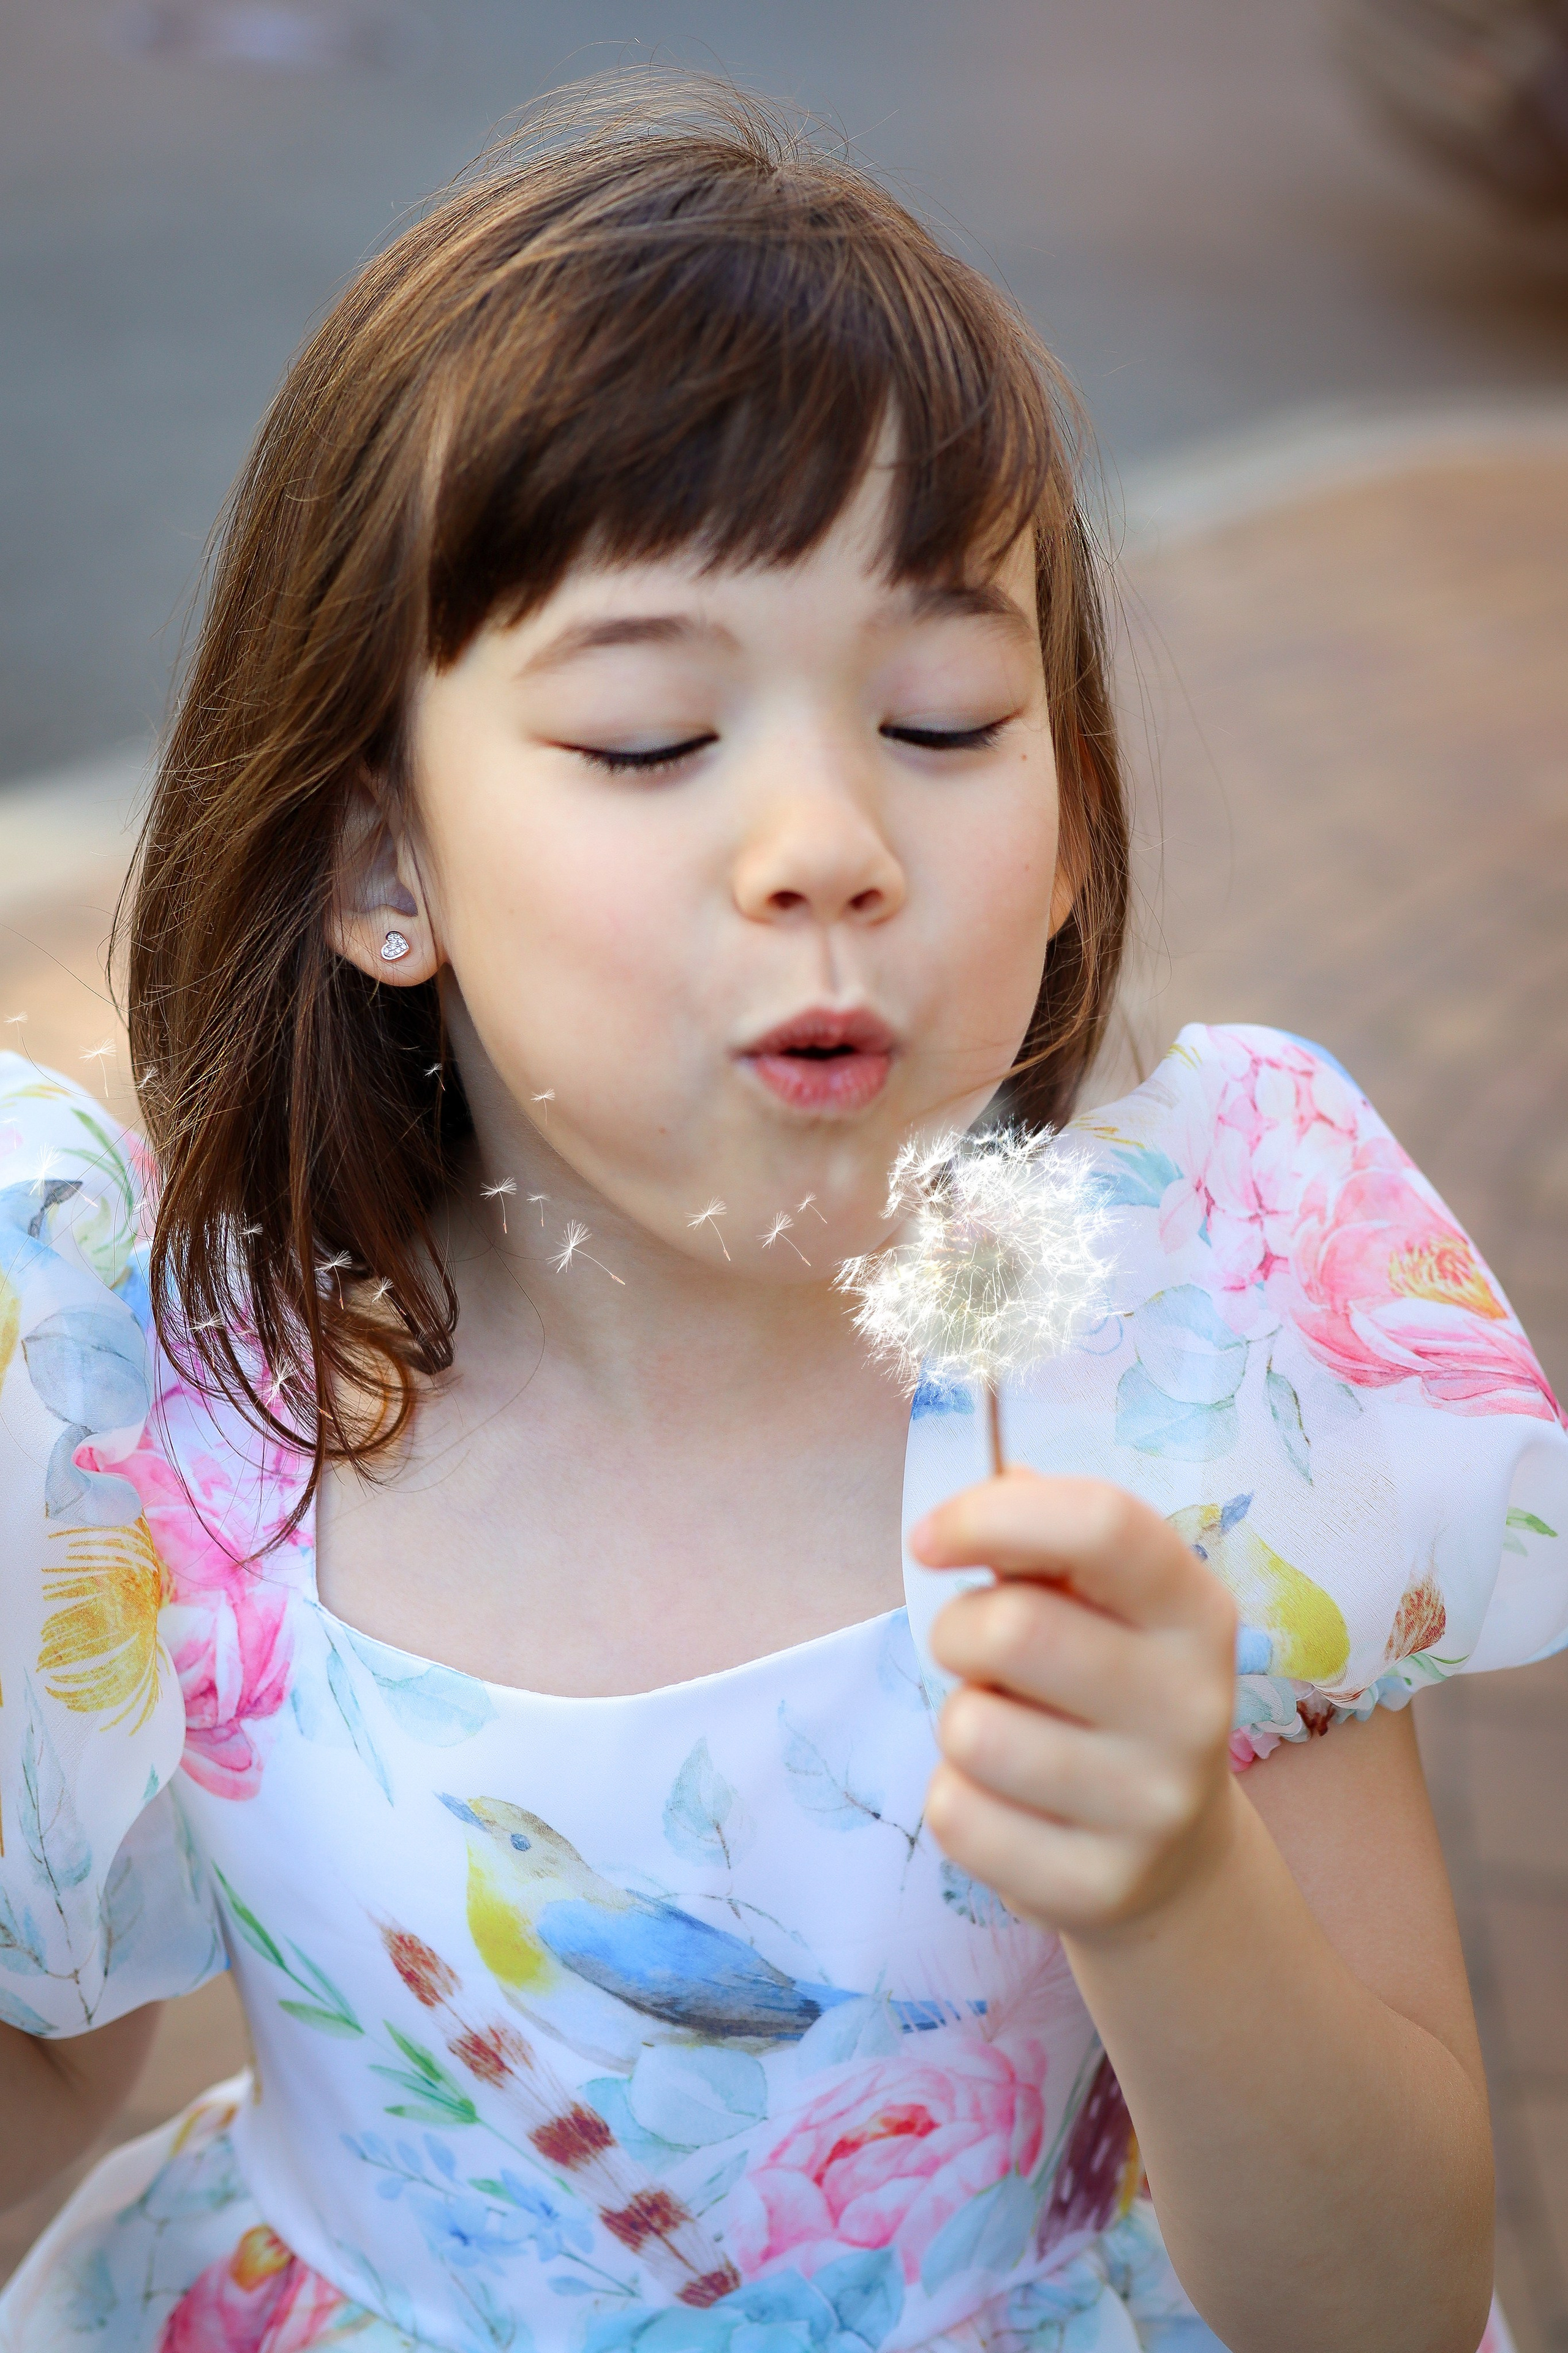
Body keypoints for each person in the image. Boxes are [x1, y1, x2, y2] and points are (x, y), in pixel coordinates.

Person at [1, 73, 1563, 2353]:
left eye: (942, 716)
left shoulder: (1185, 1362)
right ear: (377, 867)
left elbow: (1388, 2296)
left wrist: (1171, 1877)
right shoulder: (178, 1424)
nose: (829, 836)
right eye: (650, 742)